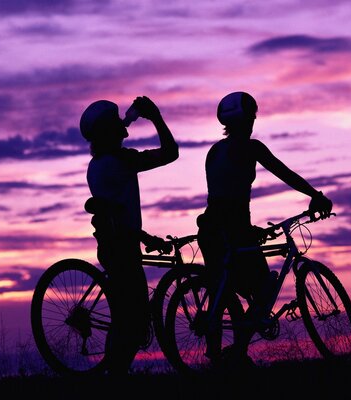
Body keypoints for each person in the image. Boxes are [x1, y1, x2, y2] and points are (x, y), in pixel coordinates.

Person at [197, 91, 333, 368]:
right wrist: (314, 194)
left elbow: (223, 193)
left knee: (220, 290)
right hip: (233, 227)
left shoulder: (215, 150)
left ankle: (218, 356)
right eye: (252, 115)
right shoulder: (251, 147)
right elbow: (284, 173)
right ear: (246, 118)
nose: (254, 120)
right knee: (262, 289)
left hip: (211, 225)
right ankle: (237, 353)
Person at [79, 96, 178, 375]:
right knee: (132, 320)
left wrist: (144, 237)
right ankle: (116, 375)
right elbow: (170, 153)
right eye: (116, 124)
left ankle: (116, 374)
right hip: (122, 245)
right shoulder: (121, 161)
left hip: (113, 243)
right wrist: (156, 117)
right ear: (110, 132)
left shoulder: (97, 165)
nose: (123, 126)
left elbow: (115, 212)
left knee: (126, 316)